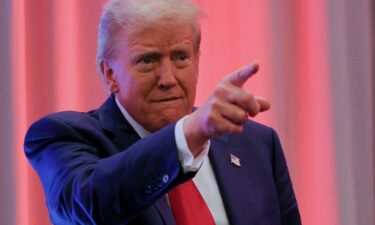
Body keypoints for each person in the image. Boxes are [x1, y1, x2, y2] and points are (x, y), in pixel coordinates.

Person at [24, 0, 301, 224]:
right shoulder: (62, 136)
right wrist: (189, 134)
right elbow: (89, 207)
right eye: (148, 60)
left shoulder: (257, 145)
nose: (168, 78)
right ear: (109, 74)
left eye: (181, 57)